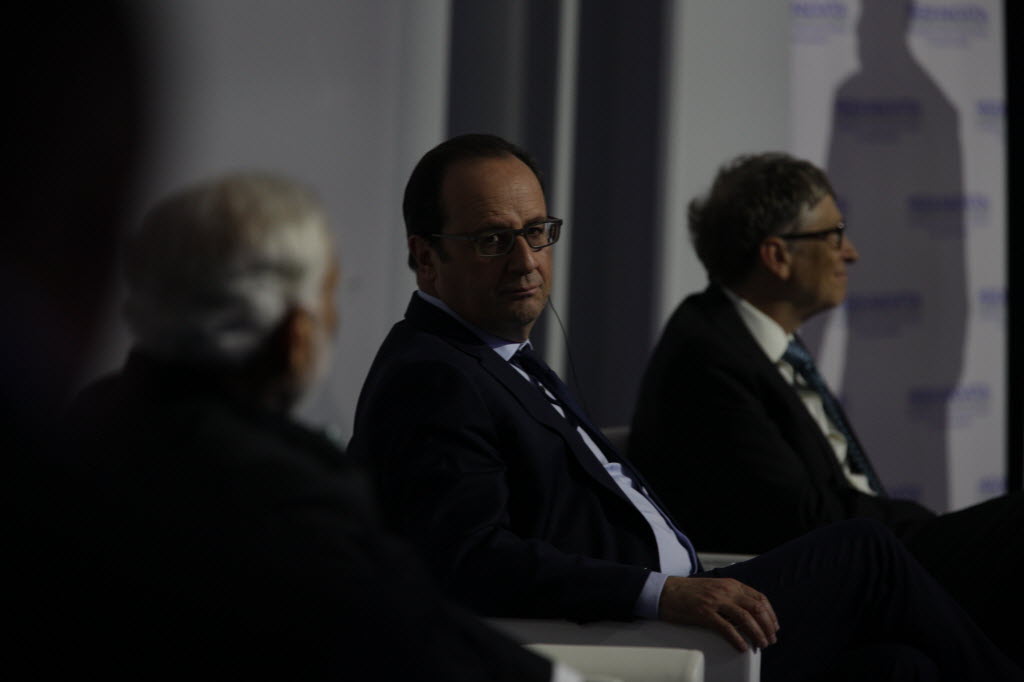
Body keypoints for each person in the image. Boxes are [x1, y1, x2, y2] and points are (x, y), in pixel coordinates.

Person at [350, 134, 1022, 681]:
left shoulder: (496, 356)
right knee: (866, 553)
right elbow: (468, 559)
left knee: (900, 667)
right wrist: (660, 592)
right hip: (633, 638)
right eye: (494, 240)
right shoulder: (432, 375)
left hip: (685, 608)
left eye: (538, 232)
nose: (527, 260)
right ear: (425, 257)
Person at [58, 173, 555, 680]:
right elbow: (408, 635)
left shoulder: (75, 429)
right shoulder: (288, 495)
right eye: (331, 294)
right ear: (296, 335)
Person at [628, 151, 1023, 666]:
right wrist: (920, 525)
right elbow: (797, 515)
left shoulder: (757, 344)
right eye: (834, 235)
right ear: (778, 256)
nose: (850, 253)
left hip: (866, 555)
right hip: (812, 579)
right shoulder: (706, 356)